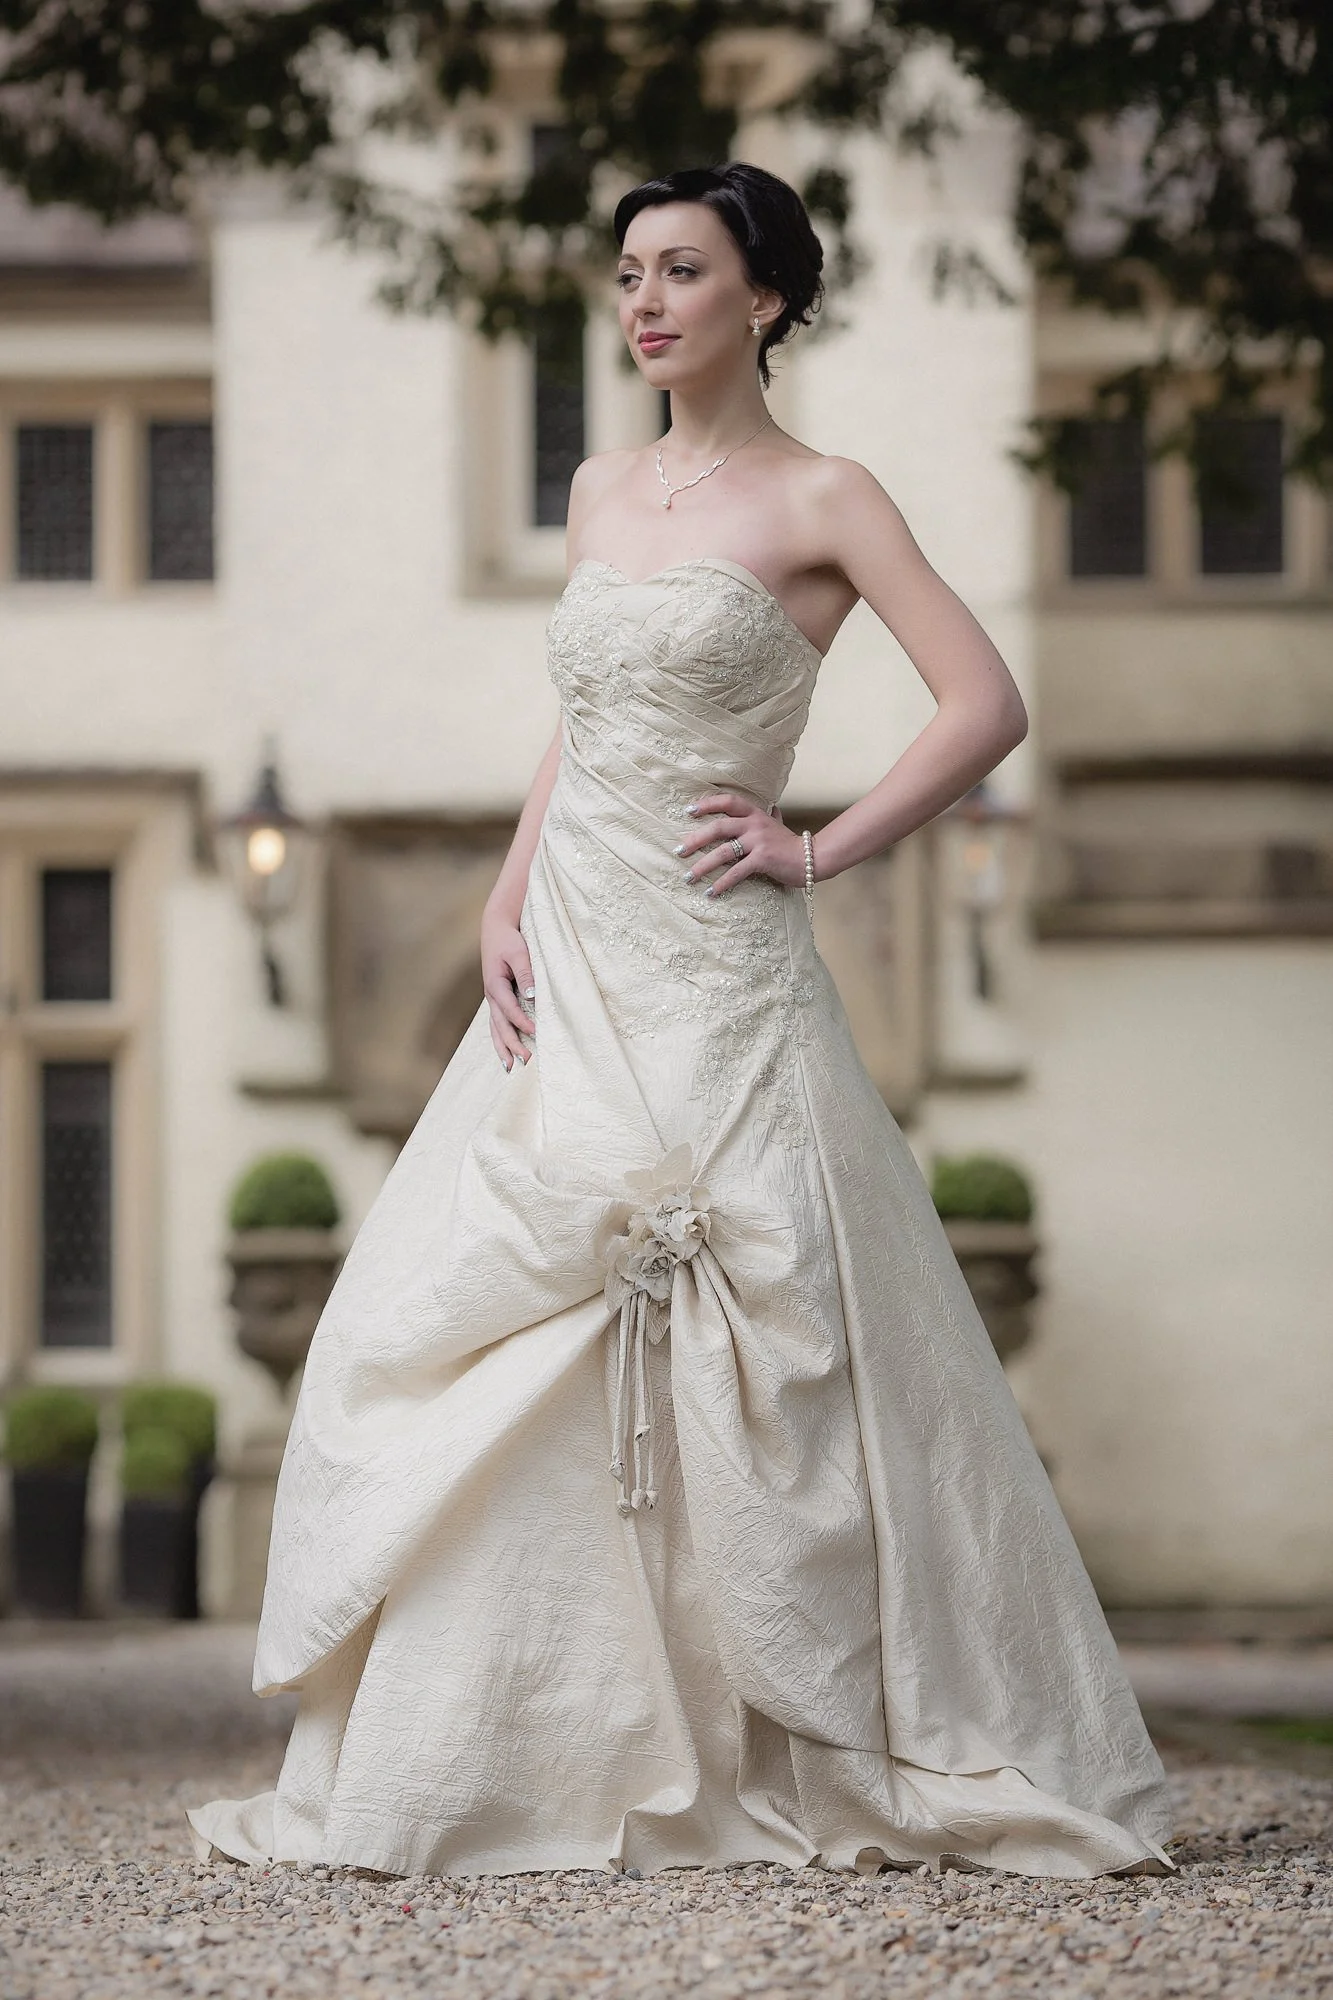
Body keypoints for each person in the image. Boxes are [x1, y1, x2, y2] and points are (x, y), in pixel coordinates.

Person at [188, 162, 1174, 1881]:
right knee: (489, 1306)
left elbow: (985, 702)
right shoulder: (595, 487)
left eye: (683, 271)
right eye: (630, 271)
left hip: (719, 974)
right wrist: (505, 893)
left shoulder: (826, 497)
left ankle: (794, 1736)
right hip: (573, 950)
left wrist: (819, 848)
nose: (644, 301)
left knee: (762, 1327)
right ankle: (518, 1751)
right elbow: (583, 717)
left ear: (766, 299)